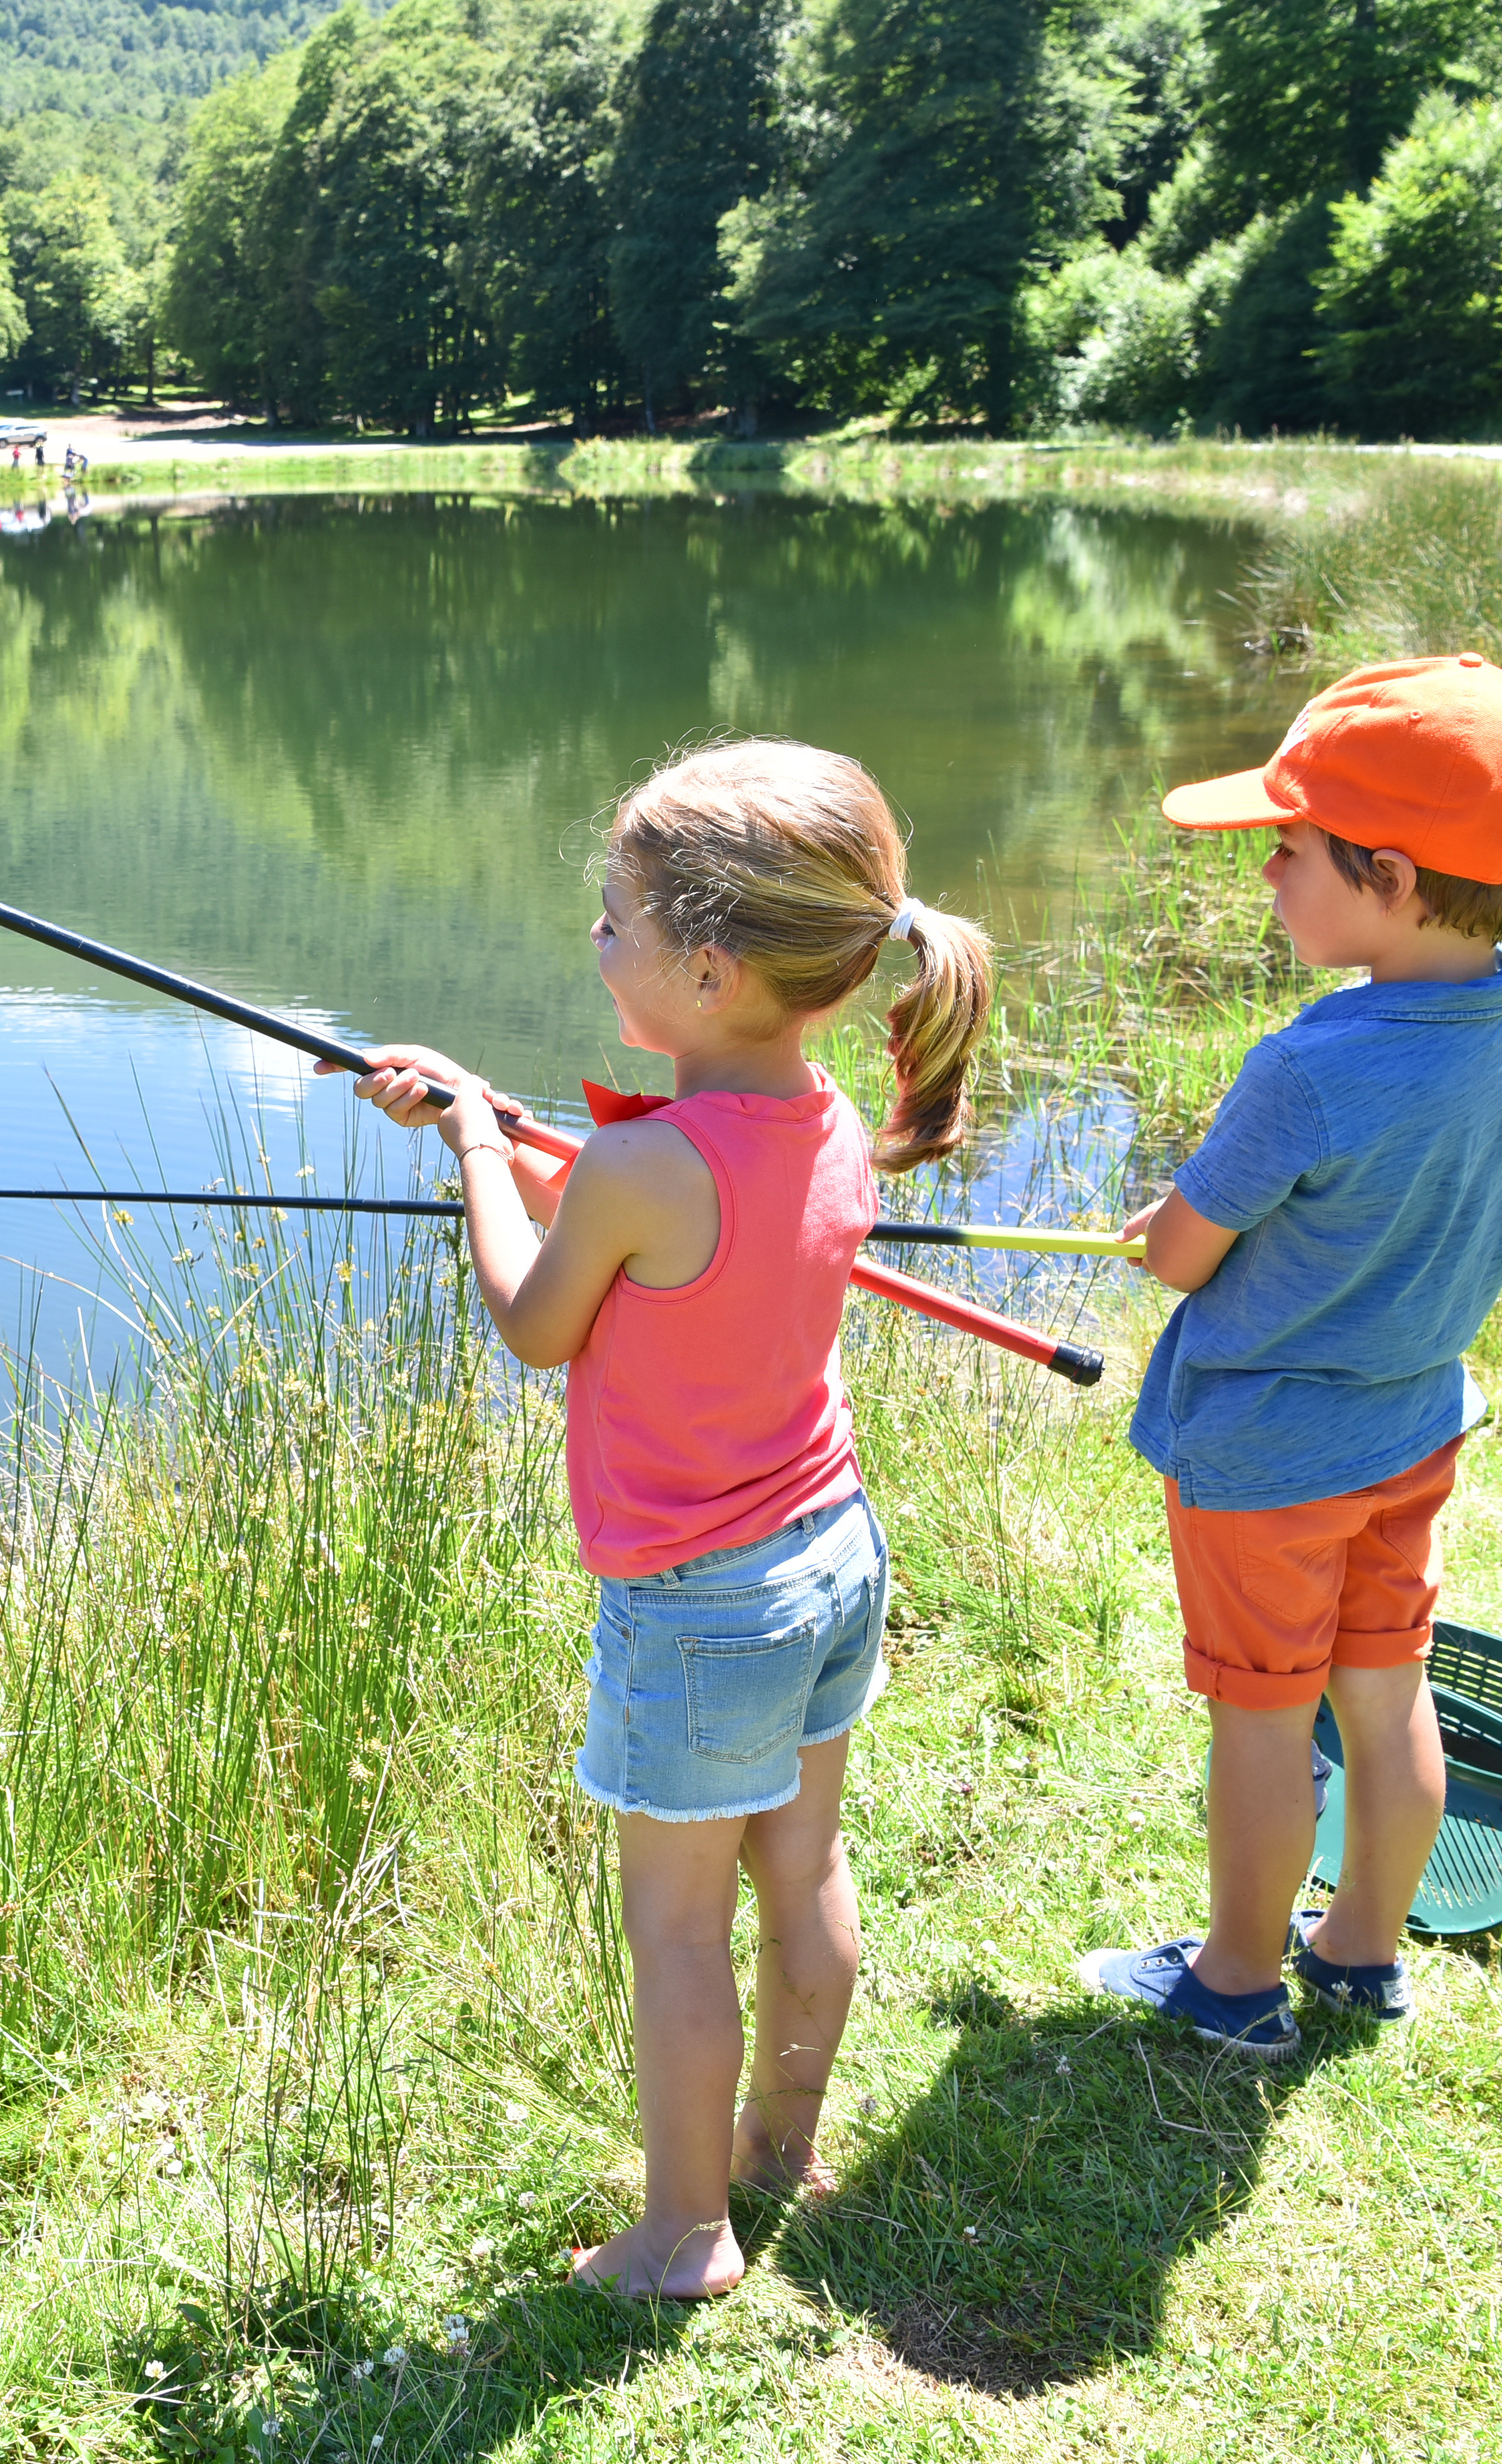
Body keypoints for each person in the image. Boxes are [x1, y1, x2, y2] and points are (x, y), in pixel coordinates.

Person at [338, 740, 994, 2299]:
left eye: (614, 919)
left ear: (707, 969)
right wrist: (552, 1150)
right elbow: (703, 1204)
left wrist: (479, 1145)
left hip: (701, 1605)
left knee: (678, 1931)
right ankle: (782, 2145)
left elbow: (534, 1316)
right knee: (806, 1861)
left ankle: (686, 2232)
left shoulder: (635, 1166)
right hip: (831, 1552)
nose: (594, 940)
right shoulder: (831, 1118)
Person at [1074, 652, 1502, 2056]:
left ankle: (1234, 1982)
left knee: (1262, 1719)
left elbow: (1181, 1253)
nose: (1268, 878)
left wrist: (1167, 1222)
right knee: (1387, 1684)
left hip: (1270, 1456)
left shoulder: (1309, 1064)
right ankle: (1359, 1949)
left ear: (1394, 878)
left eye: (1287, 852)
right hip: (1411, 1427)